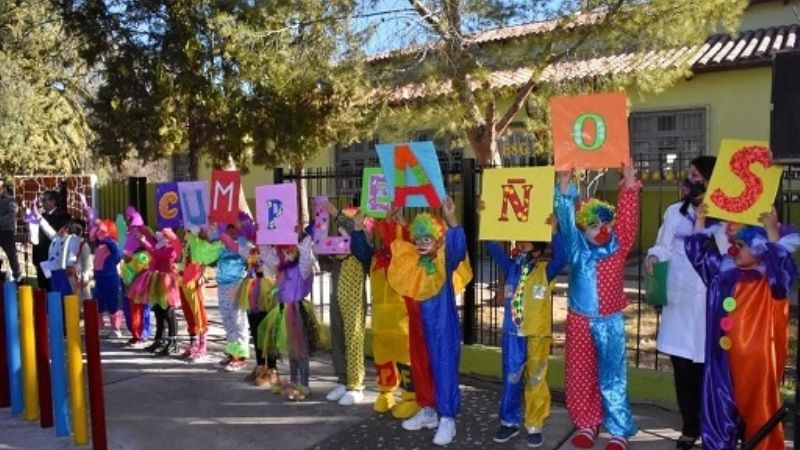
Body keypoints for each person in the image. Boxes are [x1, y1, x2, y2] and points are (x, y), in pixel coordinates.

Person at [686, 206, 798, 450]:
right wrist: (700, 224)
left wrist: (772, 233)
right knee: (718, 407)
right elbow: (699, 255)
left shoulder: (770, 281)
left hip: (756, 363)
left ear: (759, 248)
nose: (733, 248)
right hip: (721, 359)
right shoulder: (723, 272)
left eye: (742, 244)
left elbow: (784, 271)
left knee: (760, 410)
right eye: (733, 242)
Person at [644, 156, 728, 449]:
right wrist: (654, 257)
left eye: (695, 175)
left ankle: (713, 427)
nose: (688, 179)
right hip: (679, 302)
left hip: (710, 303)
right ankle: (689, 427)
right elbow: (663, 246)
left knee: (711, 371)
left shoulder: (725, 217)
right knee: (683, 370)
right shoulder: (673, 213)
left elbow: (728, 255)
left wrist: (709, 222)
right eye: (688, 174)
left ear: (709, 179)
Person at [554, 165, 640, 450]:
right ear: (584, 230)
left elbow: (628, 220)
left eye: (605, 223)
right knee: (579, 376)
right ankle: (587, 423)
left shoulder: (619, 245)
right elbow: (566, 221)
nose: (601, 230)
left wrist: (628, 183)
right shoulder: (577, 249)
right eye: (593, 225)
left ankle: (617, 430)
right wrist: (564, 185)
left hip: (610, 322)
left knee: (612, 375)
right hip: (580, 321)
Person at [387, 197, 472, 446]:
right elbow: (399, 248)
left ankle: (448, 418)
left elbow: (458, 249)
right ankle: (428, 410)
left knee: (443, 365)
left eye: (428, 239)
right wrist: (400, 222)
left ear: (438, 240)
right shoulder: (412, 260)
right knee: (421, 365)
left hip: (442, 323)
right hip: (418, 324)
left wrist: (452, 218)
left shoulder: (444, 260)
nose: (423, 243)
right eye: (420, 239)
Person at [486, 213, 566, 448]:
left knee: (535, 379)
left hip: (537, 336)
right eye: (518, 242)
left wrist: (554, 232)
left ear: (538, 250)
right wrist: (486, 219)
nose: (520, 245)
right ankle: (509, 422)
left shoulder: (545, 271)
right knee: (511, 379)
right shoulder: (511, 268)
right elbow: (493, 248)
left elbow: (562, 257)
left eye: (526, 242)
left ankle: (535, 423)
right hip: (513, 335)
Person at [350, 206, 420, 418]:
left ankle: (411, 397)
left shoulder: (408, 261)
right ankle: (386, 392)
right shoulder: (375, 259)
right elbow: (360, 249)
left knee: (405, 361)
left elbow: (415, 246)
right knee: (383, 359)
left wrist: (402, 223)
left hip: (403, 324)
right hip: (381, 324)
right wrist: (356, 228)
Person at [322, 200, 371, 406]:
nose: (341, 241)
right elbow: (322, 255)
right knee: (338, 336)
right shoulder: (338, 263)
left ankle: (356, 385)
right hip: (337, 297)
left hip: (353, 299)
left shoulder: (361, 251)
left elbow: (356, 237)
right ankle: (343, 379)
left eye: (345, 237)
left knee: (353, 337)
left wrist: (336, 214)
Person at [262, 229, 320, 400]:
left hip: (297, 311)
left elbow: (306, 257)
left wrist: (303, 238)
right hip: (282, 310)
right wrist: (263, 237)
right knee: (291, 349)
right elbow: (267, 256)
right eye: (284, 250)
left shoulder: (303, 268)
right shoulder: (282, 265)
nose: (286, 253)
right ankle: (294, 381)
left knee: (300, 350)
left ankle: (304, 383)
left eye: (289, 249)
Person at [128, 228, 182, 356]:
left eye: (163, 234)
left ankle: (173, 342)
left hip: (167, 282)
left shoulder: (171, 248)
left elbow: (156, 255)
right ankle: (159, 339)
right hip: (157, 281)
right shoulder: (160, 247)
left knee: (168, 311)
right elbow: (154, 255)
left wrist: (145, 242)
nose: (159, 235)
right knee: (158, 310)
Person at [32, 190, 70, 291]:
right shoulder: (42, 216)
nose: (43, 202)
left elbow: (56, 235)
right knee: (42, 285)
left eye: (45, 200)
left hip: (53, 257)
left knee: (53, 286)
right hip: (41, 256)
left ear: (54, 201)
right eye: (42, 200)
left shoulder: (62, 216)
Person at [0, 180, 21, 282]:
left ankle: (18, 277)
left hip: (6, 231)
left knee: (12, 255)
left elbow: (12, 215)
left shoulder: (10, 200)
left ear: (3, 188)